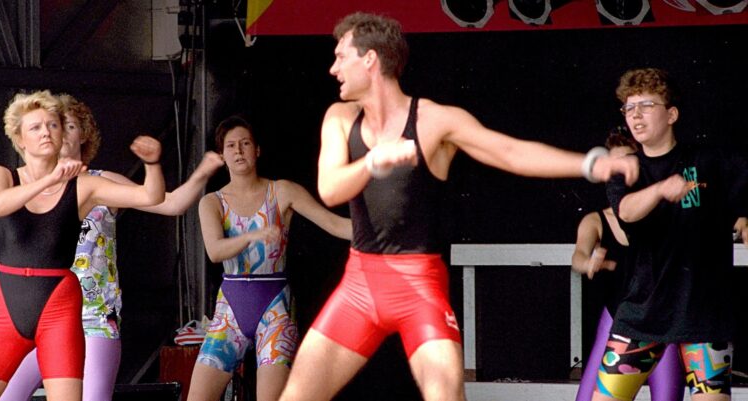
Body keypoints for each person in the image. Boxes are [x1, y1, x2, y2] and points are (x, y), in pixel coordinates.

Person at [277, 12, 639, 401]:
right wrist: (371, 161)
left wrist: (590, 164)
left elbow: (509, 152)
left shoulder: (435, 121)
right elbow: (329, 189)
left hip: (418, 286)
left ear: (370, 60)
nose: (333, 69)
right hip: (359, 285)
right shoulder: (340, 117)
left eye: (341, 56)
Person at [0, 94, 224, 401]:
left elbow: (169, 203)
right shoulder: (27, 182)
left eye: (69, 125)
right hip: (42, 316)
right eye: (53, 125)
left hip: (94, 317)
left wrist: (202, 172)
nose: (58, 132)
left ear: (83, 135)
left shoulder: (100, 182)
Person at [0, 90, 165, 401]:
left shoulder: (84, 185)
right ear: (20, 139)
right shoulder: (3, 175)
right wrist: (48, 180)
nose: (47, 132)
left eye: (53, 125)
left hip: (58, 303)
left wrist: (153, 164)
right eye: (36, 127)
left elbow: (151, 197)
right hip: (7, 301)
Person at [598, 67, 748, 401]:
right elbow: (626, 212)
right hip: (643, 313)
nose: (635, 115)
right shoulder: (626, 169)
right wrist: (662, 189)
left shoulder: (711, 161)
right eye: (629, 108)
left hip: (704, 314)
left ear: (672, 114)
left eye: (646, 106)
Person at [186, 115, 352, 401]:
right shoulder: (212, 202)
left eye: (245, 143)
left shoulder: (281, 191)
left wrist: (385, 231)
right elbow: (215, 251)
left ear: (257, 150)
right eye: (231, 146)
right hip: (230, 310)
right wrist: (252, 236)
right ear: (222, 155)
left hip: (275, 308)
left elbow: (334, 224)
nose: (238, 151)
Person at [572, 129, 684, 401]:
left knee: (667, 396)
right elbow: (578, 256)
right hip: (617, 319)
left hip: (660, 318)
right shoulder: (595, 220)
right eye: (614, 168)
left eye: (626, 165)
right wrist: (588, 262)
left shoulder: (664, 214)